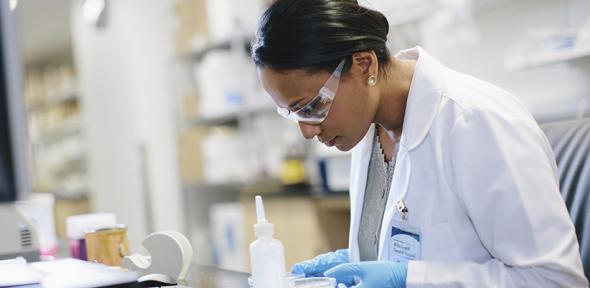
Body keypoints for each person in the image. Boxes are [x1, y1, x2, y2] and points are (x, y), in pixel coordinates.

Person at [251, 0, 589, 287]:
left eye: (312, 106)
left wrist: (410, 277)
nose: (307, 131)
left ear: (364, 64)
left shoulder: (478, 122)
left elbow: (555, 278)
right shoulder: (367, 126)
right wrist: (357, 256)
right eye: (292, 114)